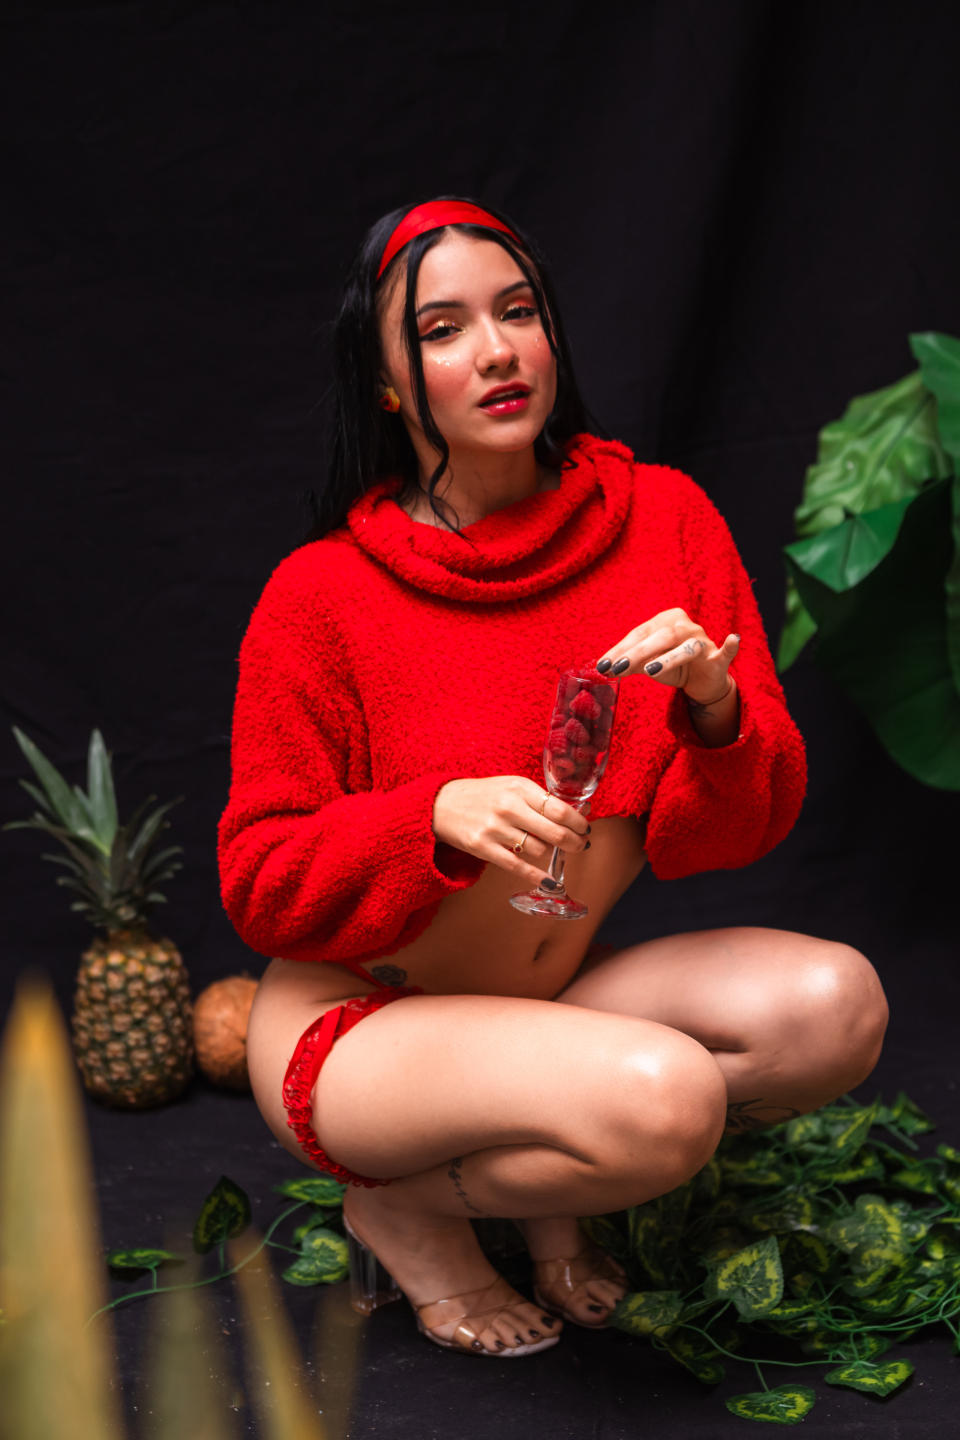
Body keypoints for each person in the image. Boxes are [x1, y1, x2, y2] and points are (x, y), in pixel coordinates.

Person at [217, 197, 889, 1358]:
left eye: (517, 312)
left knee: (838, 1006)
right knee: (668, 1101)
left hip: (548, 1003)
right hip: (365, 1026)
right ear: (388, 384)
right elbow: (260, 882)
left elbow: (742, 830)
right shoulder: (322, 595)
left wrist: (716, 711)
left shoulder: (666, 522)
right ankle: (408, 1208)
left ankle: (506, 1174)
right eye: (442, 330)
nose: (495, 350)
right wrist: (429, 817)